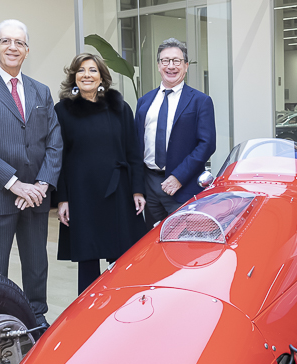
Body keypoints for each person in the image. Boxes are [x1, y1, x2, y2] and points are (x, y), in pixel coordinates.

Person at [0, 19, 62, 328]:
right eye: (6, 41)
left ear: (27, 50)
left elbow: (54, 141)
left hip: (35, 197)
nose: (12, 47)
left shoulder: (41, 91)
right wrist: (16, 184)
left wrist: (41, 185)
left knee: (35, 265)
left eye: (19, 42)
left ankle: (36, 318)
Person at [54, 53, 147, 294]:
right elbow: (58, 158)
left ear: (102, 77)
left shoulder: (120, 108)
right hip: (81, 194)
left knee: (122, 255)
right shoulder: (62, 111)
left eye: (93, 70)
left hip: (119, 192)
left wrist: (138, 189)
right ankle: (88, 312)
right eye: (81, 70)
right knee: (88, 256)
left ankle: (122, 302)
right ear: (74, 77)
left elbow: (133, 152)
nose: (87, 75)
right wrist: (62, 199)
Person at [135, 38, 216, 226]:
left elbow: (207, 144)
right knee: (152, 242)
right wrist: (138, 188)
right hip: (149, 185)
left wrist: (179, 176)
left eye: (176, 61)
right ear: (158, 65)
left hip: (183, 185)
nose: (171, 66)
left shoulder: (200, 101)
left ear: (186, 66)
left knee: (184, 243)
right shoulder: (144, 102)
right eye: (165, 61)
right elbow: (137, 145)